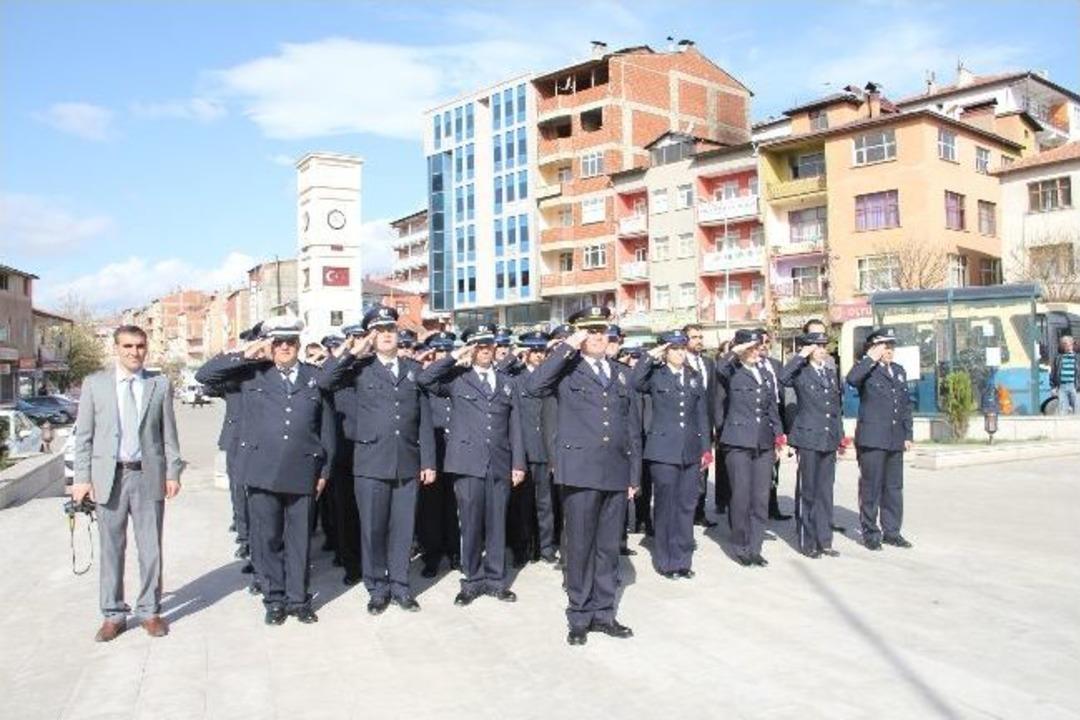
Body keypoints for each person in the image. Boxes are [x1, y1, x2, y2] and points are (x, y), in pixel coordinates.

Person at [196, 316, 336, 625]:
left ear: (298, 345)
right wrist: (246, 353)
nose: (284, 347)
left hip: (303, 470)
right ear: (269, 345)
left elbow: (326, 429)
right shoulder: (251, 375)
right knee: (267, 537)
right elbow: (204, 374)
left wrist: (325, 469)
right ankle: (274, 599)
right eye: (278, 342)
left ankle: (299, 599)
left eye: (290, 342)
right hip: (261, 470)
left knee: (300, 539)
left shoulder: (314, 377)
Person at [525, 305, 642, 646]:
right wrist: (567, 346)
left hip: (615, 471)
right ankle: (579, 614)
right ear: (578, 333)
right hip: (579, 471)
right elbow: (534, 385)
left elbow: (630, 428)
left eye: (602, 331)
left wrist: (634, 475)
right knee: (579, 546)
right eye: (590, 331)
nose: (597, 337)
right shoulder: (566, 369)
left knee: (608, 548)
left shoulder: (620, 373)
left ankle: (604, 612)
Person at [318, 306, 436, 615]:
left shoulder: (412, 368)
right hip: (371, 462)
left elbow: (423, 417)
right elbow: (324, 381)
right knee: (372, 528)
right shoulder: (359, 368)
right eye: (379, 330)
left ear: (398, 334)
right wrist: (353, 352)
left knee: (403, 528)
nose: (386, 335)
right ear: (371, 334)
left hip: (407, 461)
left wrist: (429, 461)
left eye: (390, 330)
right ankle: (377, 587)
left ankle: (400, 586)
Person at [71, 324, 183, 642]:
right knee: (111, 549)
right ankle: (113, 614)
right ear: (116, 349)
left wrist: (172, 473)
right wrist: (81, 480)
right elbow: (84, 437)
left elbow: (168, 435)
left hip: (148, 475)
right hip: (110, 477)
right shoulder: (95, 385)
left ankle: (149, 611)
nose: (135, 352)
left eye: (140, 346)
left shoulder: (158, 384)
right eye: (128, 347)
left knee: (150, 548)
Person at [417, 324, 526, 605]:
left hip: (500, 463)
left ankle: (495, 581)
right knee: (470, 524)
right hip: (467, 463)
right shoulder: (458, 378)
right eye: (479, 346)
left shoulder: (507, 382)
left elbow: (515, 426)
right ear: (472, 349)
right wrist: (455, 356)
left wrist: (518, 463)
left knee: (497, 523)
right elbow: (425, 379)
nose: (485, 350)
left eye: (488, 345)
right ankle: (472, 581)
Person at [631, 331, 711, 579]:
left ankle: (683, 560)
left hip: (690, 450)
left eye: (682, 348)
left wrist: (706, 448)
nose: (679, 353)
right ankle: (666, 561)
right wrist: (650, 355)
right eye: (674, 349)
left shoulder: (694, 377)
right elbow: (635, 382)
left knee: (687, 505)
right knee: (666, 505)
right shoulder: (655, 375)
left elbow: (701, 414)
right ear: (665, 351)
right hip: (663, 451)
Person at [714, 328, 785, 567]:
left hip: (763, 442)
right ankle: (741, 545)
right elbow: (720, 369)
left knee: (760, 498)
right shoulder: (731, 370)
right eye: (752, 348)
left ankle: (755, 546)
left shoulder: (764, 372)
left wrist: (778, 436)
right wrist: (736, 351)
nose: (757, 351)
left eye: (759, 347)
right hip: (738, 442)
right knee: (741, 497)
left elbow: (771, 408)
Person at [845, 327, 913, 551]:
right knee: (871, 487)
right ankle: (870, 532)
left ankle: (892, 531)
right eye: (885, 346)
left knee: (893, 487)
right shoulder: (866, 370)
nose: (889, 350)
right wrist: (869, 359)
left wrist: (908, 434)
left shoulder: (899, 371)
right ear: (874, 347)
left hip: (894, 438)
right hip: (872, 438)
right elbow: (852, 380)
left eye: (891, 346)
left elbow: (905, 405)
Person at [779, 331, 843, 558]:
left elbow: (835, 407)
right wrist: (799, 356)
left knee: (825, 492)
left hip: (828, 437)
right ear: (808, 349)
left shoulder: (829, 372)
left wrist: (840, 435)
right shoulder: (800, 371)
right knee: (809, 491)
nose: (823, 350)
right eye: (817, 346)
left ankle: (824, 540)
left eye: (824, 346)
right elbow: (782, 378)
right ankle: (808, 541)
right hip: (808, 438)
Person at [415, 331, 461, 578]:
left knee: (454, 506)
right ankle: (431, 556)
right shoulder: (424, 378)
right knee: (430, 509)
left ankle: (455, 552)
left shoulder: (457, 376)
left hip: (455, 450)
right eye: (438, 351)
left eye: (447, 350)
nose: (443, 355)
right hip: (431, 450)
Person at [323, 331, 361, 585]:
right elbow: (323, 379)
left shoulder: (369, 368)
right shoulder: (336, 371)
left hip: (373, 453)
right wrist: (345, 353)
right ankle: (351, 563)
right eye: (353, 339)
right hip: (344, 453)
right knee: (346, 512)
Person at [755, 328, 792, 522]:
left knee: (775, 466)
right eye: (760, 343)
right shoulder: (750, 367)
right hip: (760, 419)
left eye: (767, 342)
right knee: (761, 467)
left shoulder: (776, 365)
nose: (764, 346)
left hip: (778, 415)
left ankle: (773, 505)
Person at [683, 324, 717, 528]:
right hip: (686, 422)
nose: (699, 340)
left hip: (705, 423)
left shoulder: (708, 363)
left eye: (700, 337)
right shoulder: (678, 361)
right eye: (694, 337)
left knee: (703, 468)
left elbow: (712, 394)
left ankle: (699, 511)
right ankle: (685, 512)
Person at [1051, 335, 1078, 415]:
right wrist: (1053, 387)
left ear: (1072, 344)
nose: (1066, 346)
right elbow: (1054, 372)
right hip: (1062, 387)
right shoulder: (1059, 358)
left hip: (1075, 386)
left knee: (1077, 410)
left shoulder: (1077, 358)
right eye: (1064, 344)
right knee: (1063, 412)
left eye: (1068, 344)